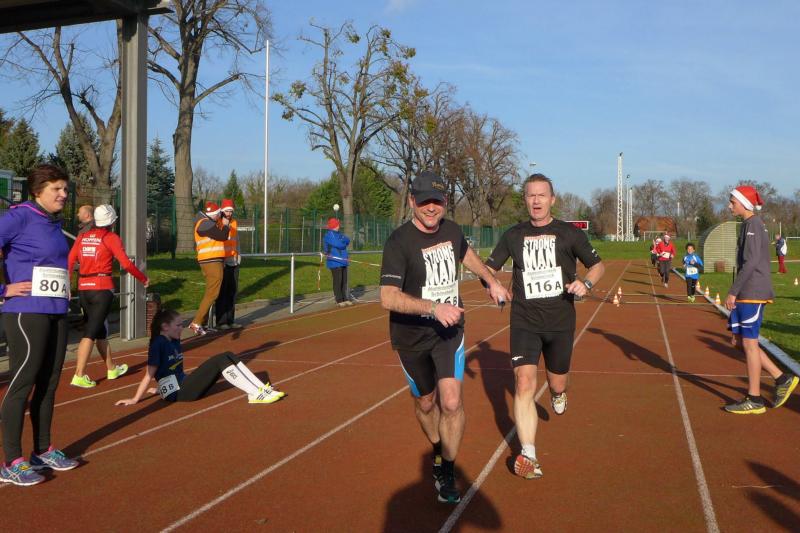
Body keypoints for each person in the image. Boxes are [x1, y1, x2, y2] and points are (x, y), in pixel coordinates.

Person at [379, 171, 509, 504]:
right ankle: (438, 448)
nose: (431, 208)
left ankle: (448, 469)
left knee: (451, 402)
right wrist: (433, 308)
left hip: (449, 332)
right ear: (412, 202)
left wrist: (491, 281)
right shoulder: (398, 242)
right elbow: (388, 297)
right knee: (426, 403)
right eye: (424, 201)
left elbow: (467, 255)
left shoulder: (451, 231)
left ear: (445, 202)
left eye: (436, 201)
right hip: (411, 336)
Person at [484, 173, 604, 480]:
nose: (536, 200)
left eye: (541, 195)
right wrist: (493, 285)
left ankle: (558, 393)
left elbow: (597, 265)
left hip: (560, 322)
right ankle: (529, 454)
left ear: (552, 199)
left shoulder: (569, 234)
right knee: (524, 383)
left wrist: (586, 283)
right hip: (524, 320)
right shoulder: (513, 235)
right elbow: (489, 269)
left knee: (557, 382)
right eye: (530, 195)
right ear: (525, 200)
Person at [0, 164, 79, 487]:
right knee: (23, 382)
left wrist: (64, 285)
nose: (63, 194)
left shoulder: (53, 223)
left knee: (49, 382)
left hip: (56, 309)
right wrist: (4, 289)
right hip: (26, 311)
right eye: (56, 189)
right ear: (37, 191)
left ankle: (42, 450)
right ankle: (11, 461)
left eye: (65, 188)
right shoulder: (19, 217)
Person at [723, 186, 798, 414]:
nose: (729, 205)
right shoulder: (747, 224)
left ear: (744, 203)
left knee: (749, 344)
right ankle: (781, 378)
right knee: (739, 342)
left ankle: (754, 398)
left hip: (752, 293)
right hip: (746, 292)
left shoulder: (754, 224)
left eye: (732, 202)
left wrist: (733, 291)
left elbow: (752, 261)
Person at [115, 308, 284, 406]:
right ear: (165, 327)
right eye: (178, 325)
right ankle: (254, 393)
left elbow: (170, 371)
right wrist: (135, 399)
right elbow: (149, 375)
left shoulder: (174, 340)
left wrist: (160, 388)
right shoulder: (158, 344)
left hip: (184, 385)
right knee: (220, 360)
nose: (182, 328)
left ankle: (260, 388)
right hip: (180, 393)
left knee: (228, 354)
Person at [67, 204, 150, 388]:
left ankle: (111, 368)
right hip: (102, 288)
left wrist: (67, 284)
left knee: (100, 330)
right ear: (112, 222)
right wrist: (143, 278)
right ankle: (79, 374)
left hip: (83, 288)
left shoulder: (82, 236)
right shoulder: (111, 238)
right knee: (91, 331)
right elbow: (126, 264)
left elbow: (71, 260)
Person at [190, 201, 230, 335]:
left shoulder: (204, 222)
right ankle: (197, 322)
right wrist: (226, 225)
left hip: (209, 260)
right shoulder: (205, 224)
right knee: (213, 293)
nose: (220, 216)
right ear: (214, 214)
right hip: (211, 261)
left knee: (210, 291)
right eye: (219, 214)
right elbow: (223, 236)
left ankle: (202, 322)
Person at [215, 199, 242, 329]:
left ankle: (231, 320)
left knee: (232, 291)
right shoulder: (218, 222)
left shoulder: (234, 222)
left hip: (234, 261)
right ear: (222, 211)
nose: (229, 213)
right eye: (227, 211)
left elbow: (236, 240)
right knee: (223, 292)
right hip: (223, 261)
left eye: (231, 211)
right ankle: (221, 321)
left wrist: (239, 255)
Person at [323, 217, 352, 307]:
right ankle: (339, 300)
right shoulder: (329, 235)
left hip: (343, 260)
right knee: (338, 281)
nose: (339, 226)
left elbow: (347, 240)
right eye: (338, 224)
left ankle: (345, 298)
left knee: (344, 281)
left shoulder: (339, 234)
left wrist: (342, 241)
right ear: (334, 226)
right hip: (335, 262)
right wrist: (343, 242)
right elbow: (339, 244)